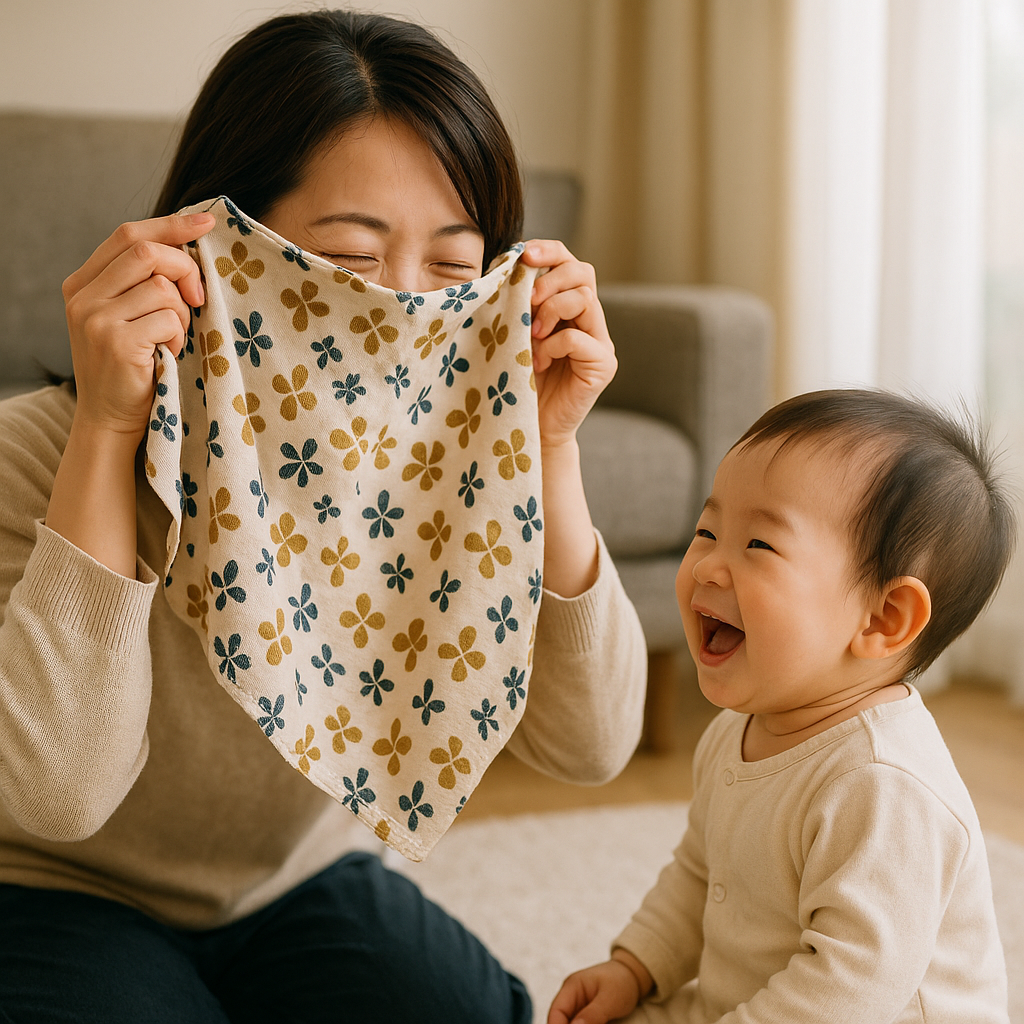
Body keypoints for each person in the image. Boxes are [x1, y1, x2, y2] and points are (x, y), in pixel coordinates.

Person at [0, 10, 647, 1022]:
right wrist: (105, 430)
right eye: (346, 267)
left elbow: (594, 744)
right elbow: (57, 796)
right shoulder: (35, 449)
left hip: (290, 880)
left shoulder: (453, 468)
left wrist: (547, 448)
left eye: (449, 271)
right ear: (214, 250)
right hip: (43, 889)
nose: (399, 317)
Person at [549, 389, 1014, 1024]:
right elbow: (698, 872)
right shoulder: (734, 732)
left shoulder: (884, 789)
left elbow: (847, 989)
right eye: (707, 531)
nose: (710, 566)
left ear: (883, 617)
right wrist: (635, 966)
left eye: (759, 546)